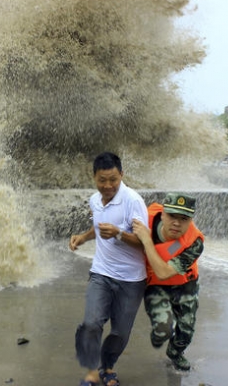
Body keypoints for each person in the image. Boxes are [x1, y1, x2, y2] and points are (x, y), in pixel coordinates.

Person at [69, 152, 148, 386]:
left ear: (122, 175)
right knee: (91, 323)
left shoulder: (133, 201)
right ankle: (92, 372)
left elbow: (145, 241)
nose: (108, 185)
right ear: (94, 177)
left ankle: (108, 367)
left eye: (113, 179)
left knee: (120, 333)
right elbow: (98, 226)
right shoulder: (95, 200)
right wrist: (83, 238)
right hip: (101, 273)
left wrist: (119, 234)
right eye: (102, 180)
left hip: (131, 279)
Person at [132, 193, 204, 371]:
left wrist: (147, 240)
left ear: (190, 221)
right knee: (163, 330)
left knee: (186, 330)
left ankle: (175, 352)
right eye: (172, 216)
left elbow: (163, 272)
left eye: (184, 219)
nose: (177, 223)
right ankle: (160, 335)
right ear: (163, 214)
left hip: (185, 284)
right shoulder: (145, 217)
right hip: (156, 286)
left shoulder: (194, 242)